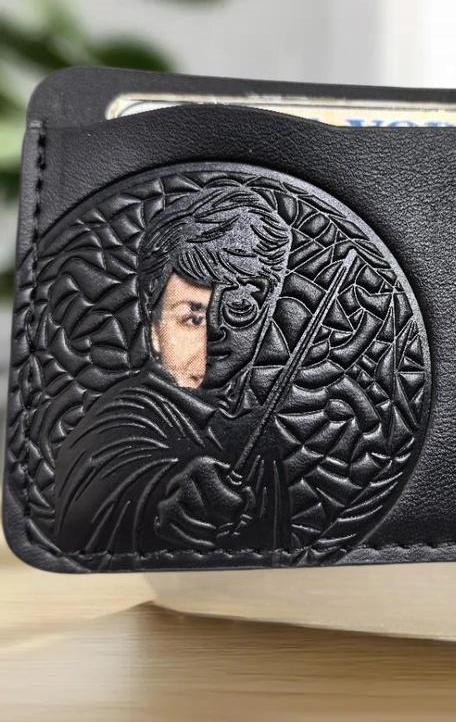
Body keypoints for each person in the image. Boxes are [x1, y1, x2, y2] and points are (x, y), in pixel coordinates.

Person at [54, 184, 292, 555]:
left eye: (240, 307)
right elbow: (120, 483)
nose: (216, 330)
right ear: (153, 325)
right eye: (192, 317)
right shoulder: (118, 425)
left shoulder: (258, 437)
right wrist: (165, 498)